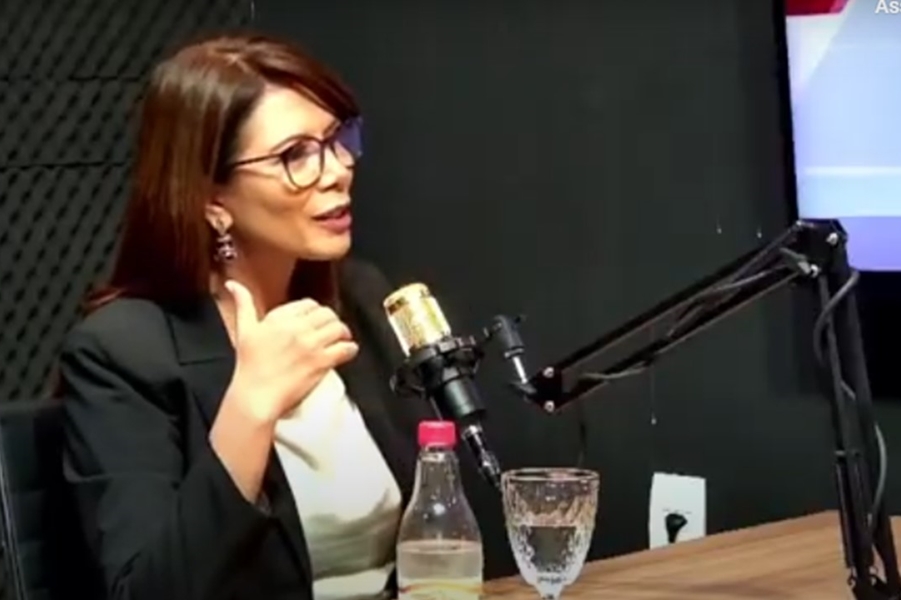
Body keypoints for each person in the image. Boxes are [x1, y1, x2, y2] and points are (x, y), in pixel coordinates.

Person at [57, 32, 443, 600]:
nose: (338, 170)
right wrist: (251, 407)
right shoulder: (122, 352)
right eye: (295, 155)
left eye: (337, 140)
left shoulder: (359, 296)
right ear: (212, 200)